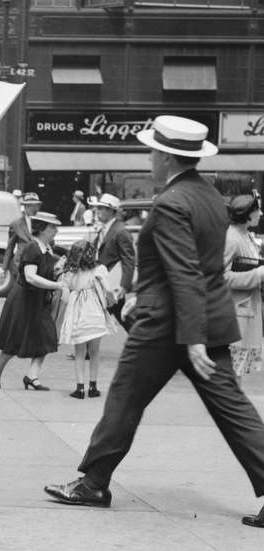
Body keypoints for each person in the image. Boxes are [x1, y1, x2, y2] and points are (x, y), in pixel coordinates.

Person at [44, 115, 264, 525]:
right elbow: (186, 265)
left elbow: (184, 271)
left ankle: (93, 483)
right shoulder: (209, 196)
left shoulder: (170, 203)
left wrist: (190, 337)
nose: (149, 157)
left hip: (169, 326)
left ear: (165, 156)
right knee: (233, 407)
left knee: (125, 396)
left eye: (152, 151)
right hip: (208, 318)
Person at [0, 211, 64, 390]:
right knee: (13, 341)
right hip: (23, 299)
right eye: (52, 227)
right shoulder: (32, 247)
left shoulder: (47, 248)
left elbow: (43, 272)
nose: (56, 230)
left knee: (47, 337)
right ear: (42, 229)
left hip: (37, 300)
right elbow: (30, 277)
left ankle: (32, 376)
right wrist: (57, 285)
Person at [56, 239, 119, 399]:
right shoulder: (99, 269)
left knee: (79, 352)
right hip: (93, 311)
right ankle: (93, 387)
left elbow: (64, 290)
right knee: (94, 352)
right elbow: (108, 289)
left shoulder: (70, 271)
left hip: (76, 311)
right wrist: (112, 299)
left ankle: (80, 388)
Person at [222, 194, 264, 383]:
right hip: (236, 314)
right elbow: (222, 277)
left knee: (235, 375)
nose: (260, 214)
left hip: (246, 311)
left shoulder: (245, 235)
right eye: (257, 210)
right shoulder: (232, 239)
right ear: (247, 215)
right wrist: (257, 275)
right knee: (232, 375)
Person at [91, 192, 136, 327]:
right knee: (123, 317)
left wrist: (124, 285)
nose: (97, 211)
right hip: (104, 283)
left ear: (111, 211)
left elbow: (129, 260)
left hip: (112, 284)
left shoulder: (120, 231)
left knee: (95, 321)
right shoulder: (104, 229)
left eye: (100, 208)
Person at [3, 191, 41, 277]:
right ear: (25, 206)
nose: (33, 208)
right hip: (21, 265)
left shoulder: (43, 223)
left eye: (36, 205)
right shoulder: (16, 224)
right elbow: (10, 247)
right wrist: (4, 268)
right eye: (29, 205)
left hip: (39, 265)